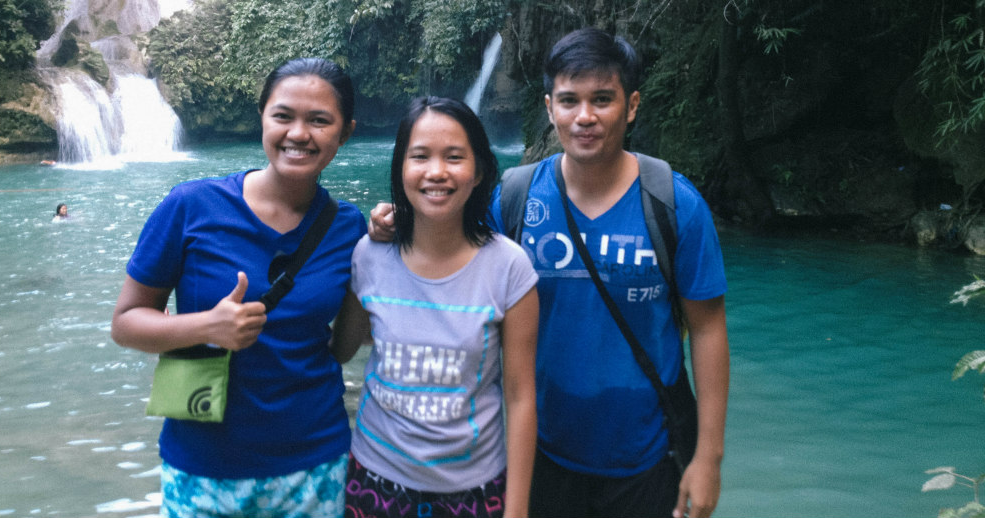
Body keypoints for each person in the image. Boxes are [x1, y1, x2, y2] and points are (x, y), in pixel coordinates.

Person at [370, 28, 729, 518]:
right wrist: (392, 226)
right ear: (549, 107)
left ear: (632, 105)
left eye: (602, 99)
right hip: (537, 451)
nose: (585, 117)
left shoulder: (672, 203)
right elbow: (450, 264)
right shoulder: (515, 198)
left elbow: (708, 330)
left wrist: (707, 458)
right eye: (570, 101)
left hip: (648, 455)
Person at [111, 57, 366, 518]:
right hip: (204, 466)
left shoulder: (349, 228)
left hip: (315, 462)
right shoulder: (190, 206)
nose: (298, 134)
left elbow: (343, 348)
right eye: (283, 116)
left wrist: (388, 251)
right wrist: (207, 326)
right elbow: (126, 324)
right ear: (263, 118)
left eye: (319, 121)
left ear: (345, 132)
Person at [333, 96, 539, 518]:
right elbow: (339, 350)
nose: (436, 172)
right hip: (374, 481)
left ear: (479, 170)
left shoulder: (509, 267)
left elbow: (520, 398)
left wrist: (517, 510)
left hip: (475, 490)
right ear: (401, 168)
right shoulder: (369, 255)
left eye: (454, 157)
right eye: (420, 156)